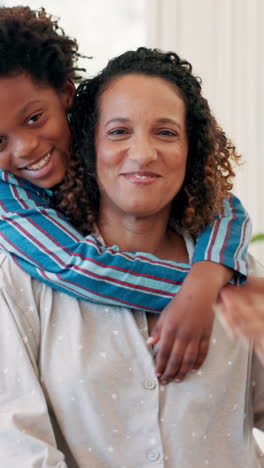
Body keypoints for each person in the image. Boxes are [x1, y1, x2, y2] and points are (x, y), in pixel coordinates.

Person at [0, 44, 264, 467]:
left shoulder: (235, 270)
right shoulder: (21, 277)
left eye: (166, 132)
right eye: (119, 132)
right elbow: (16, 446)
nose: (142, 153)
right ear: (89, 144)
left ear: (191, 149)